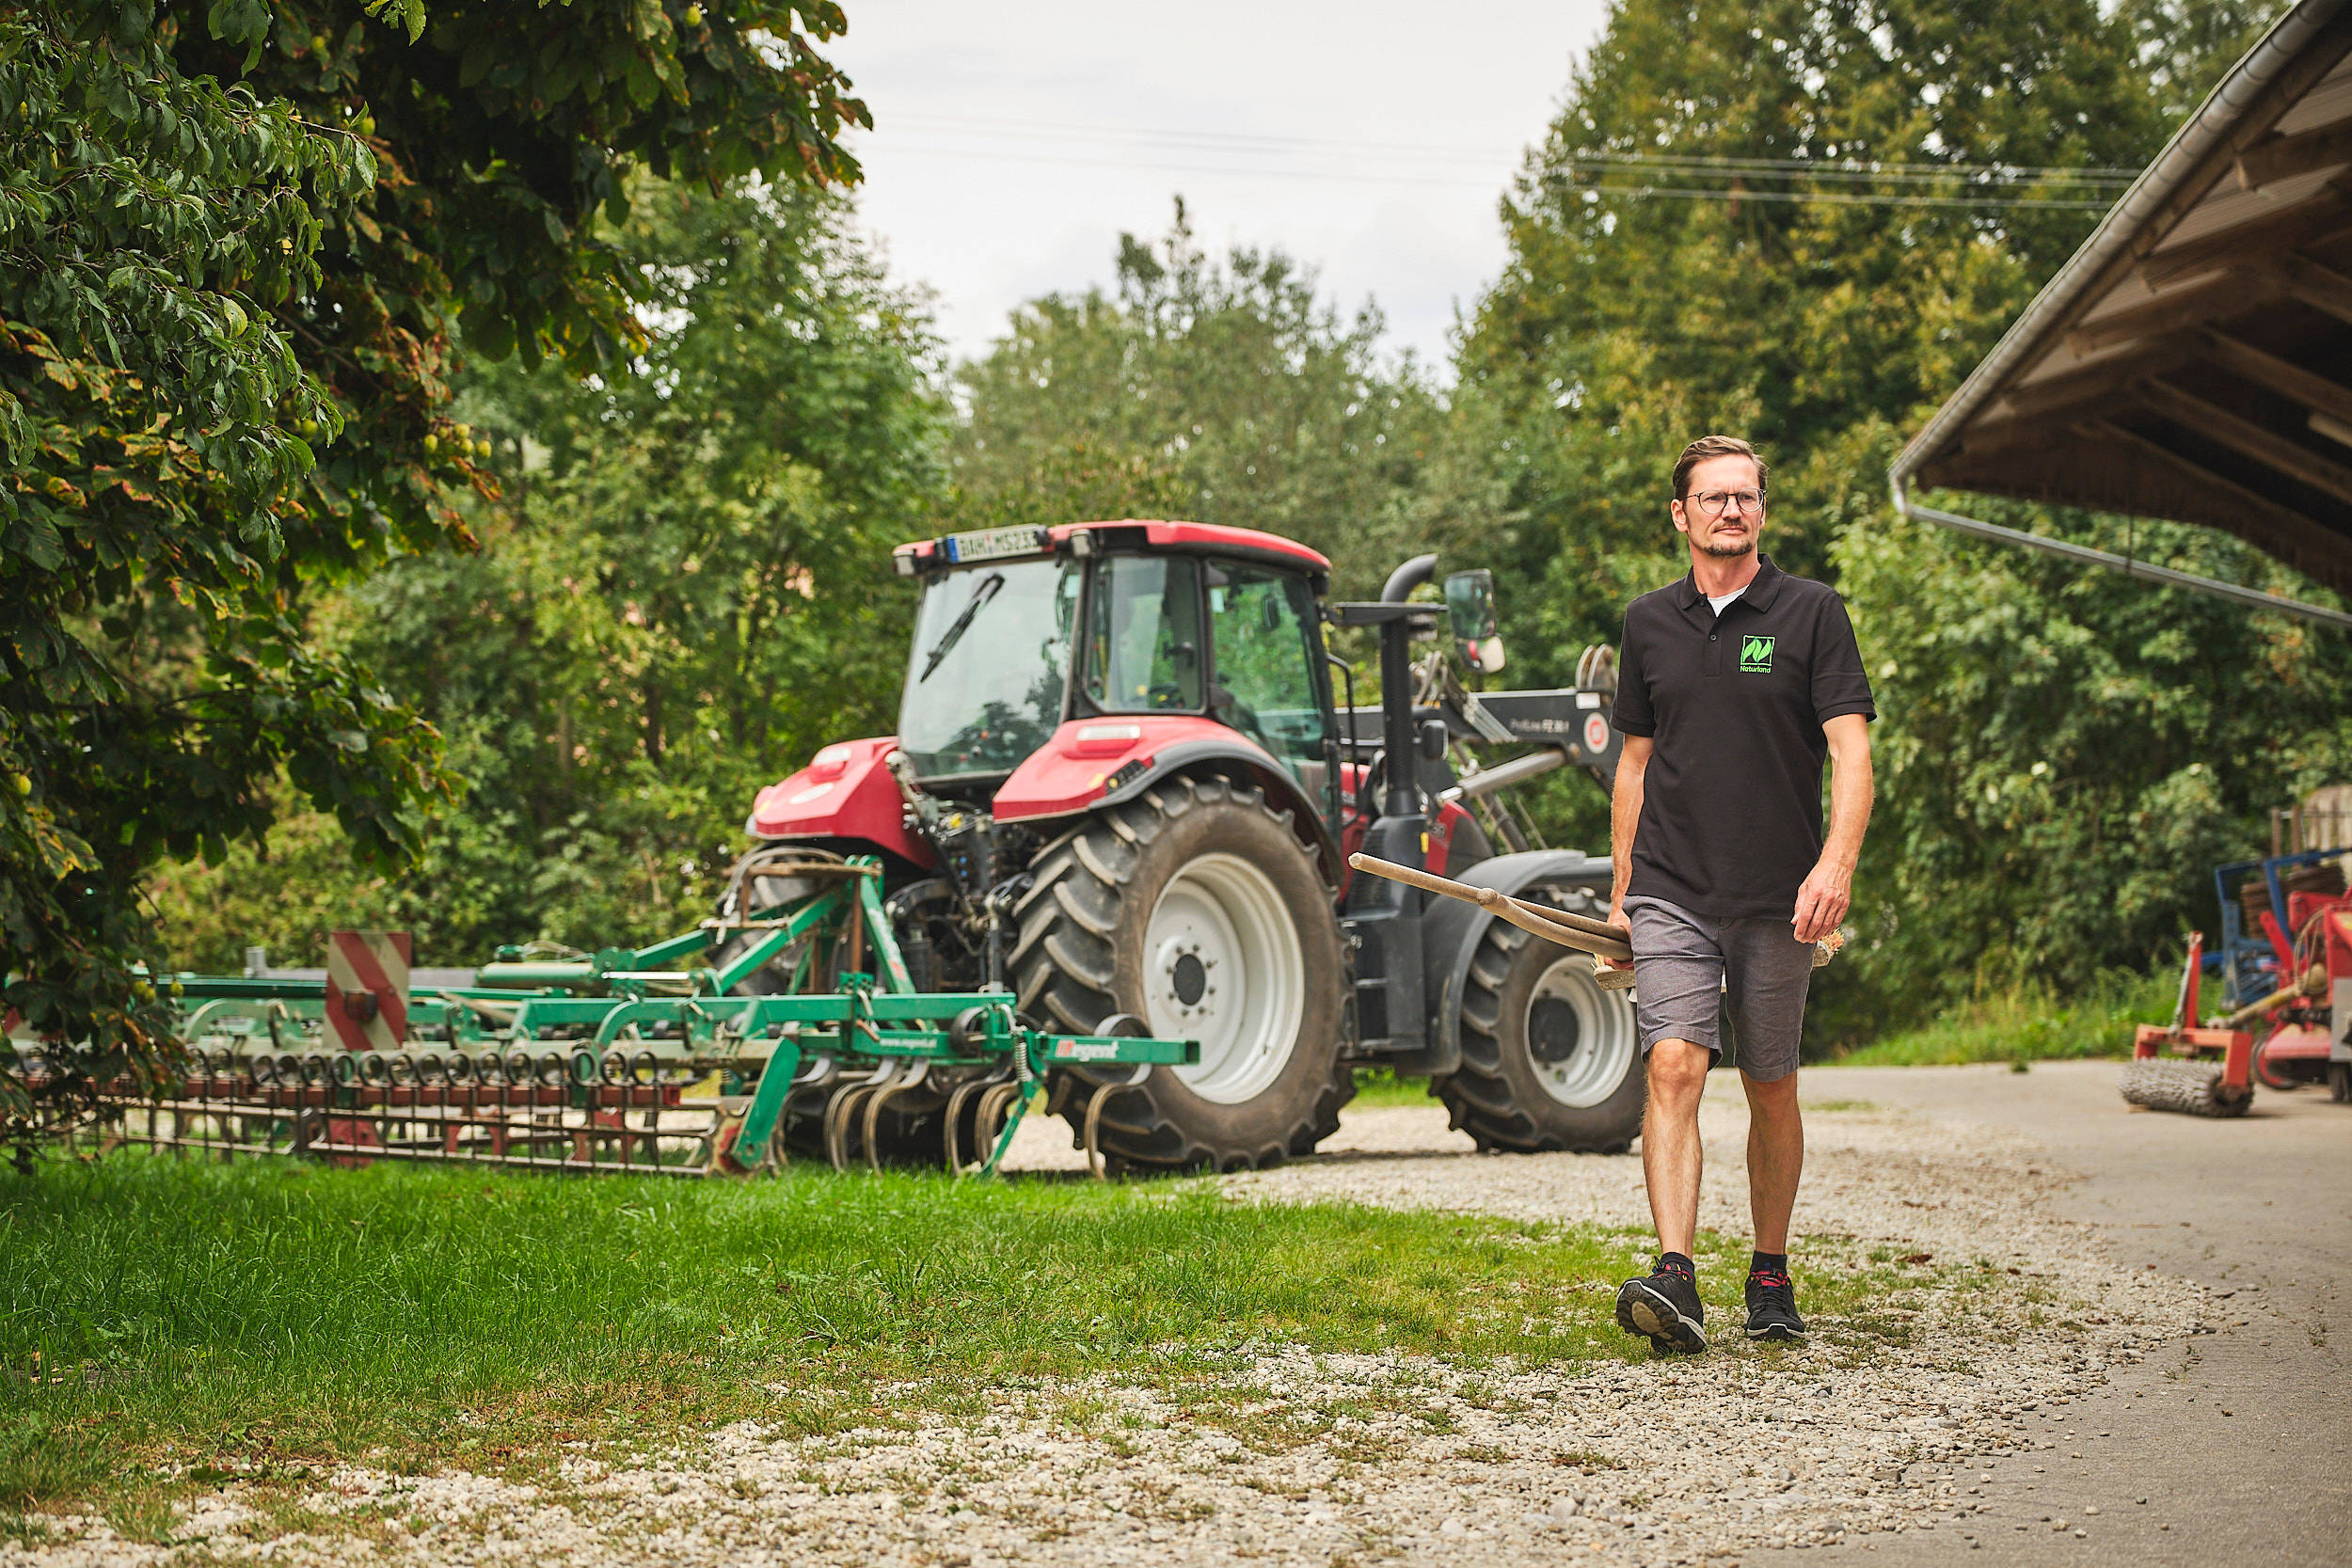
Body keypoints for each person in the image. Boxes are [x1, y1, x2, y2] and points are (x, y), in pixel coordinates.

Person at [1602, 435, 1875, 1354]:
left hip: (1778, 896)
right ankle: (1675, 1273)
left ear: (1762, 509)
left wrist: (1834, 866)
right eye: (1713, 497)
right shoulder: (1646, 624)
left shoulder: (1810, 613)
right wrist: (1621, 893)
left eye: (1745, 496)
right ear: (1679, 514)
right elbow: (1633, 766)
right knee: (1673, 1064)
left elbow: (1850, 752)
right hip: (1673, 887)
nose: (1731, 510)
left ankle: (1768, 1269)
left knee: (1769, 1082)